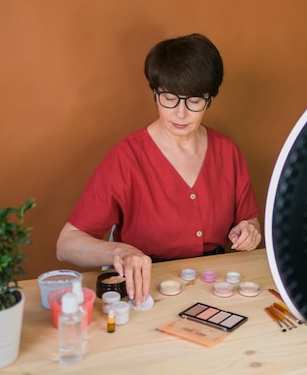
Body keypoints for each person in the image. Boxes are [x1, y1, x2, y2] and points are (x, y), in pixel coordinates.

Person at [56, 33, 262, 306]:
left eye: (194, 100)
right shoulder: (127, 157)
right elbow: (66, 244)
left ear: (209, 99)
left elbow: (250, 223)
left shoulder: (227, 151)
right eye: (169, 98)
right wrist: (121, 251)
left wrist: (249, 231)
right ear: (155, 92)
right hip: (148, 288)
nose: (180, 113)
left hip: (216, 285)